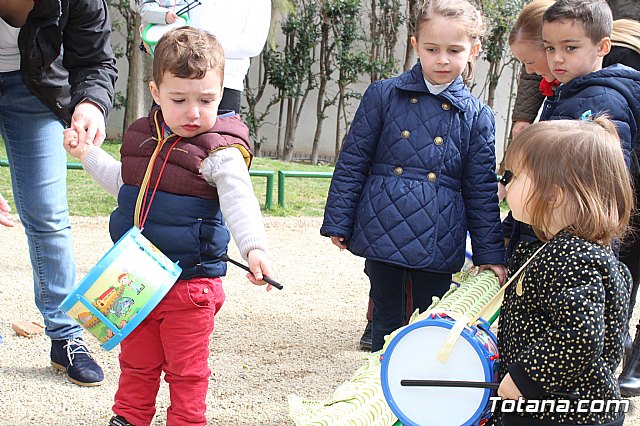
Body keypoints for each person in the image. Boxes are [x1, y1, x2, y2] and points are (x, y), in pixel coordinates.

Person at [64, 27, 274, 426]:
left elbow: (239, 200)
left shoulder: (221, 149)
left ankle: (187, 421)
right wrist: (87, 154)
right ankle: (128, 417)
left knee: (186, 370)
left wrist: (254, 248)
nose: (194, 112)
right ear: (156, 92)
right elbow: (126, 184)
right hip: (135, 279)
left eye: (206, 100)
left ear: (221, 91)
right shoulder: (141, 137)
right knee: (136, 362)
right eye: (179, 99)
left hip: (190, 286)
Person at [321, 0, 507, 353]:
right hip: (383, 224)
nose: (442, 59)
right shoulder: (383, 95)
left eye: (454, 50)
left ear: (474, 50)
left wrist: (489, 254)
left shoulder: (477, 116)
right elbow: (354, 159)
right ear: (415, 45)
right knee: (385, 319)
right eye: (432, 49)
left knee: (430, 320)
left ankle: (417, 397)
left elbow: (480, 189)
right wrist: (339, 220)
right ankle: (374, 390)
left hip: (439, 234)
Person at [0, 0, 117, 386]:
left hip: (34, 87)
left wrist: (91, 104)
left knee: (48, 213)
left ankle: (65, 337)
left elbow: (96, 60)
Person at [495, 117, 632, 426]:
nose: (507, 184)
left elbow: (581, 335)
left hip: (563, 412)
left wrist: (525, 378)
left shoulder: (573, 257)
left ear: (553, 194)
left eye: (515, 176)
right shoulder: (561, 247)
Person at [136, 0, 271, 113]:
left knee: (217, 143)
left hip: (225, 84)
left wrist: (200, 46)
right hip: (175, 79)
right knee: (164, 141)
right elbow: (160, 15)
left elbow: (252, 44)